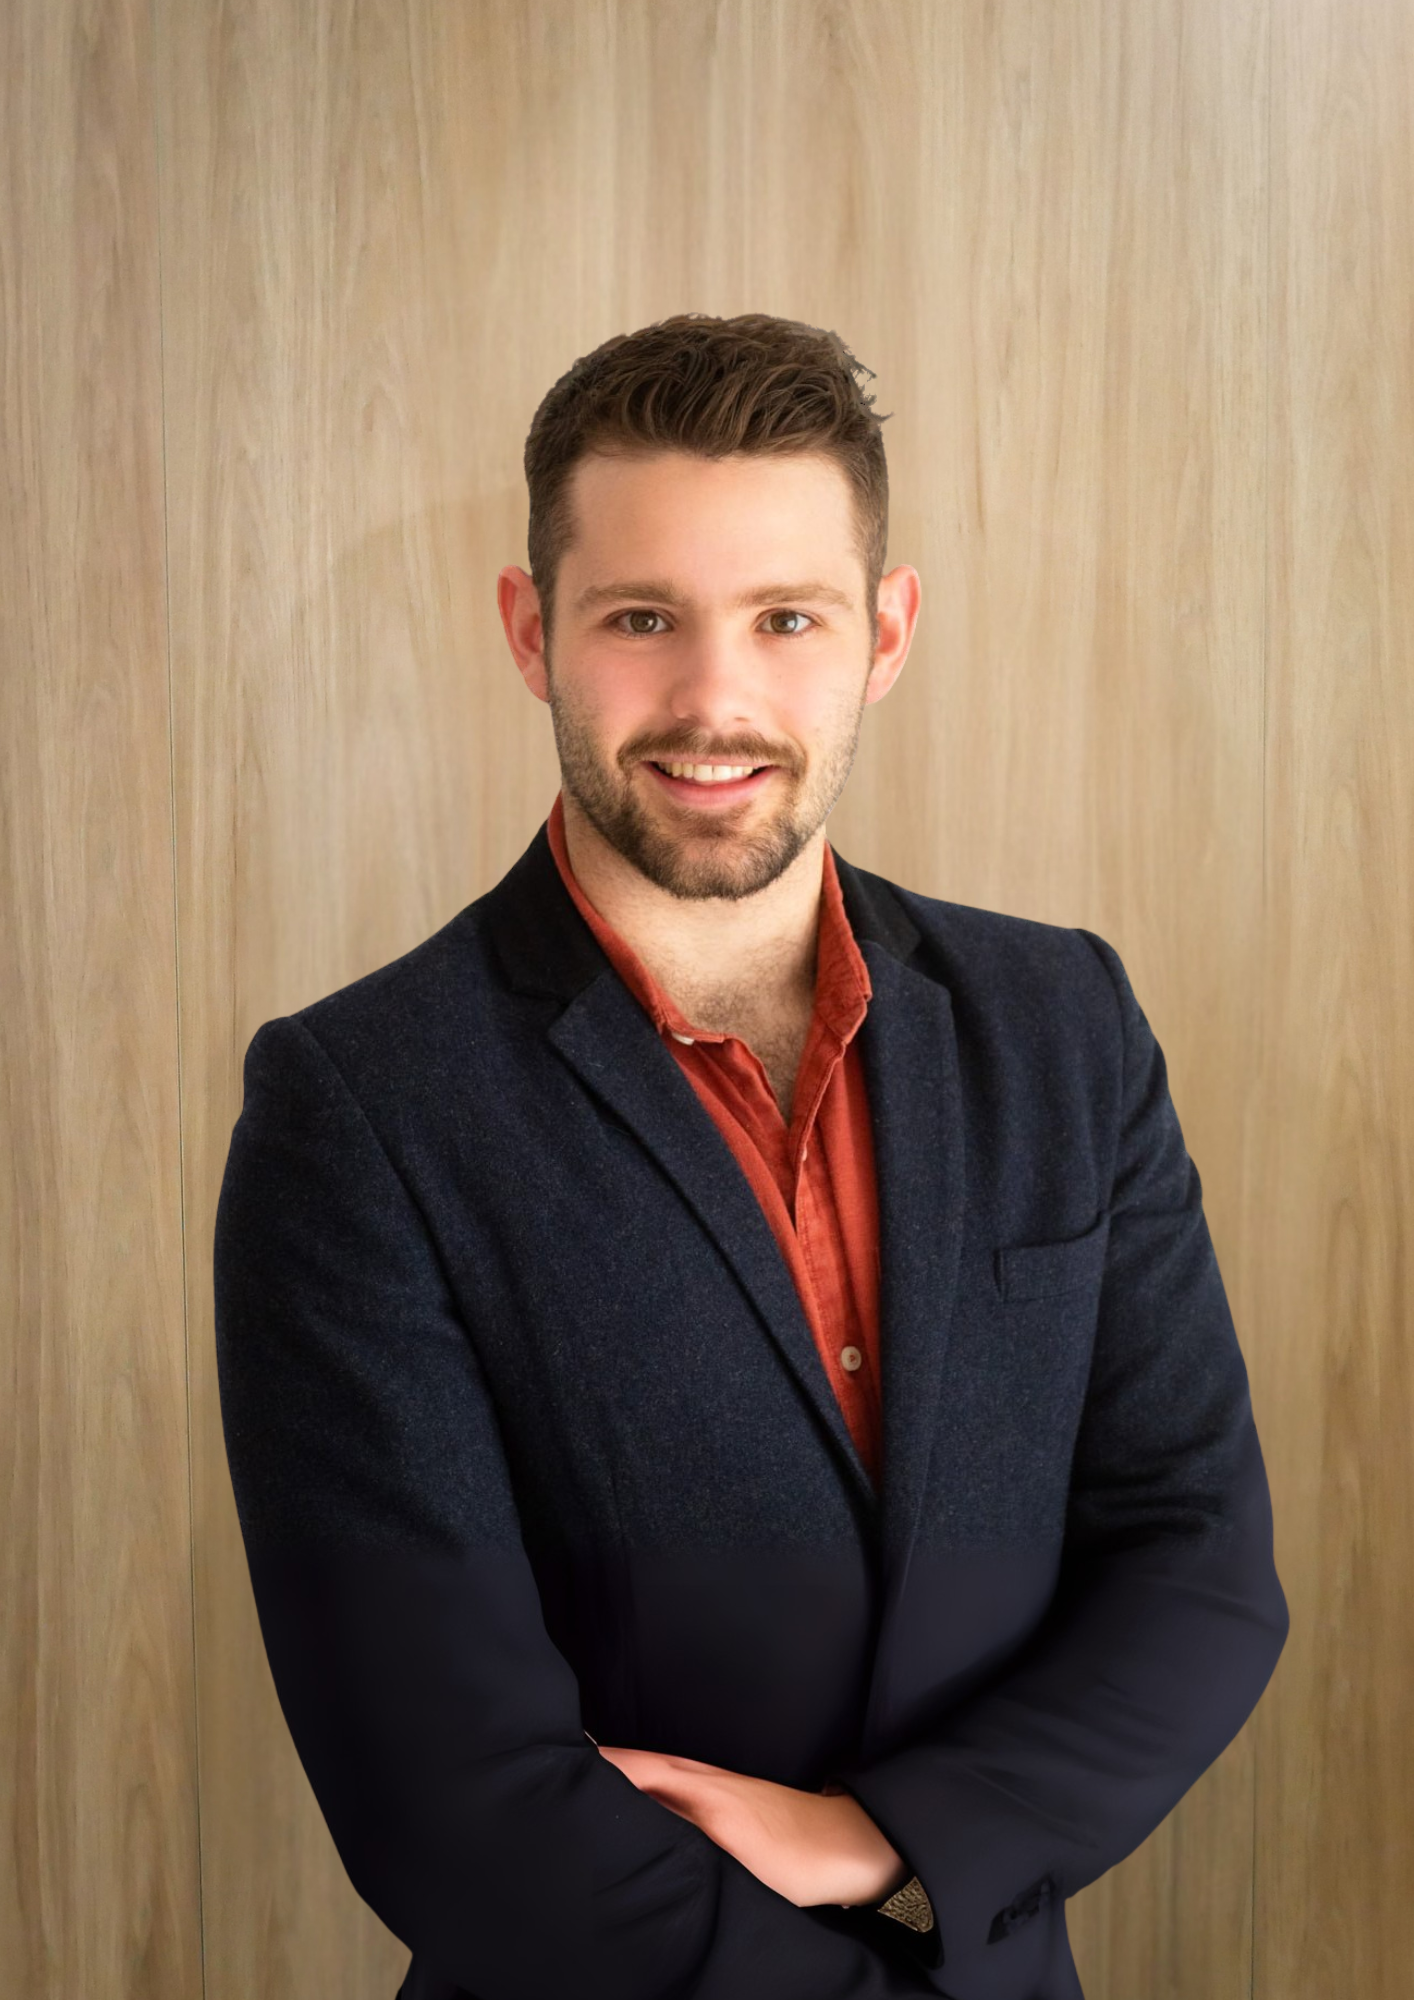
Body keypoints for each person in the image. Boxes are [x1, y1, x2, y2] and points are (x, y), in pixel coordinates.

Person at [213, 312, 1288, 2000]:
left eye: (786, 617)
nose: (713, 699)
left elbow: (1198, 1566)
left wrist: (886, 1839)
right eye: (641, 618)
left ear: (884, 632)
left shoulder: (1063, 1022)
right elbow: (448, 1792)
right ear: (531, 632)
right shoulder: (357, 1107)